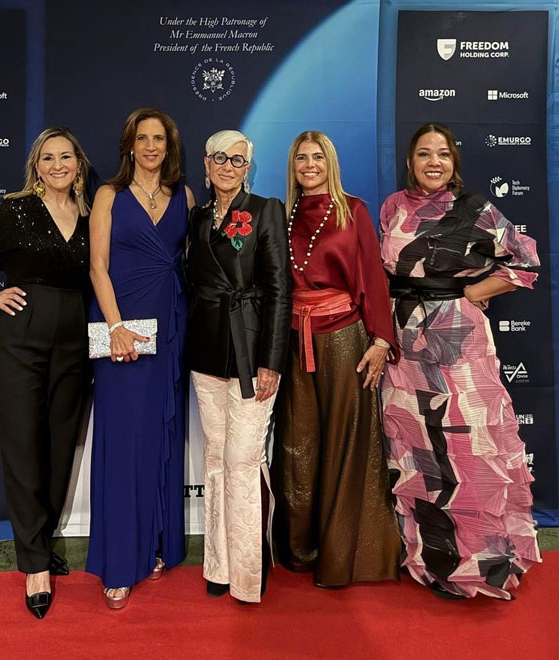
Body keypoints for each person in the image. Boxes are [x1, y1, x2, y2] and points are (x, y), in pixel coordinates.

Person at [380, 123, 542, 599]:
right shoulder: (392, 206)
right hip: (404, 345)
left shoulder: (474, 209)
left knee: (468, 450)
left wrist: (474, 291)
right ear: (410, 161)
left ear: (454, 163)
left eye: (443, 154)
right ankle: (431, 561)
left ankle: (481, 564)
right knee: (418, 453)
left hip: (458, 343)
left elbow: (524, 261)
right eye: (424, 154)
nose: (434, 162)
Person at [0, 127, 92, 619]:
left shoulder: (92, 215)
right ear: (36, 167)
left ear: (78, 164)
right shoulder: (17, 211)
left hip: (74, 342)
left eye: (65, 156)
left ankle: (41, 542)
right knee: (24, 448)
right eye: (47, 158)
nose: (57, 165)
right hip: (19, 342)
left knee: (59, 447)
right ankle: (34, 566)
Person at [272, 130, 400, 588]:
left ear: (331, 163)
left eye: (318, 157)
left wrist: (381, 340)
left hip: (345, 338)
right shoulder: (281, 215)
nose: (309, 165)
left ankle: (341, 556)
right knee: (297, 444)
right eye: (301, 158)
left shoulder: (353, 209)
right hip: (292, 340)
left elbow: (373, 277)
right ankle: (300, 551)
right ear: (292, 166)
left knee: (346, 442)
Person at [86, 108, 194, 609]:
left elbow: (192, 261)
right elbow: (97, 266)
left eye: (159, 139)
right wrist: (116, 328)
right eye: (142, 138)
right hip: (121, 330)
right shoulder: (108, 195)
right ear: (129, 145)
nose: (151, 146)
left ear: (169, 147)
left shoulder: (184, 197)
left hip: (169, 328)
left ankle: (154, 543)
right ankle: (119, 561)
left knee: (160, 437)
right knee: (123, 442)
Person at [186, 129, 291, 603]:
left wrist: (272, 360)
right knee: (215, 455)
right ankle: (219, 564)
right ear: (206, 164)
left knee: (243, 459)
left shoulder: (267, 210)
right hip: (206, 349)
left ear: (248, 168)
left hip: (251, 348)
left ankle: (249, 575)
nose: (228, 167)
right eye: (220, 158)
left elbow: (280, 289)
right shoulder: (196, 217)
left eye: (237, 160)